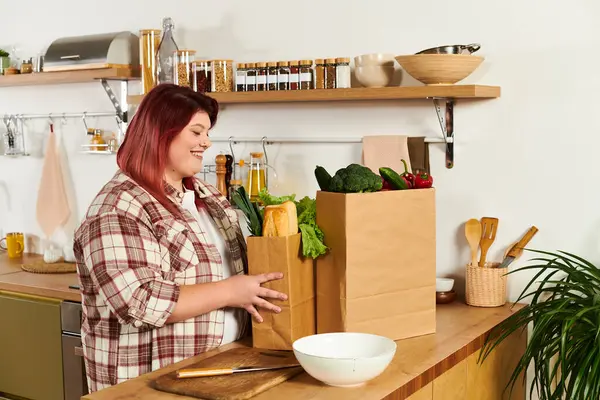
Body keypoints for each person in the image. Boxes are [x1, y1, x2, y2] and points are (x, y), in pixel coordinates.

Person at [73, 83, 288, 392]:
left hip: (218, 373)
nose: (207, 142)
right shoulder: (118, 208)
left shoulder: (207, 196)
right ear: (161, 133)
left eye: (208, 133)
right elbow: (140, 301)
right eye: (197, 132)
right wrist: (231, 291)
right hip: (147, 388)